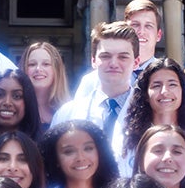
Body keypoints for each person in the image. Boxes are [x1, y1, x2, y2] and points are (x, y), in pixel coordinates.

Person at [52, 21, 138, 151]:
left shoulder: (149, 113)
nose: (114, 63)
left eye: (123, 57)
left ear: (136, 62)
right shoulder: (67, 114)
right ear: (93, 61)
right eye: (105, 56)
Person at [121, 58, 185, 166]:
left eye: (172, 85)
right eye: (156, 86)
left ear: (182, 91)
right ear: (146, 95)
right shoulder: (131, 139)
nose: (165, 92)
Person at [73, 0, 163, 98]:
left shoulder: (168, 78)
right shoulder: (92, 81)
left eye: (148, 26)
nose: (141, 31)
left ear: (158, 35)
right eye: (135, 25)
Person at [22, 41, 71, 131]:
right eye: (32, 64)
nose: (38, 69)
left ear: (56, 70)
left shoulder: (69, 112)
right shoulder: (17, 111)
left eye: (46, 64)